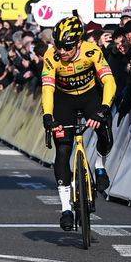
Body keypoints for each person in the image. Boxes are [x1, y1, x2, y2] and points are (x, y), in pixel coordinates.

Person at [41, 15, 117, 232]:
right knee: (63, 151)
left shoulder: (92, 51)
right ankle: (66, 208)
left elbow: (108, 80)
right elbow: (47, 88)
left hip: (89, 96)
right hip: (64, 100)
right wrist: (48, 116)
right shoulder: (51, 56)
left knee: (105, 132)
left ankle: (100, 166)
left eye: (67, 47)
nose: (62, 51)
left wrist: (104, 108)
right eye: (58, 46)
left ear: (78, 43)